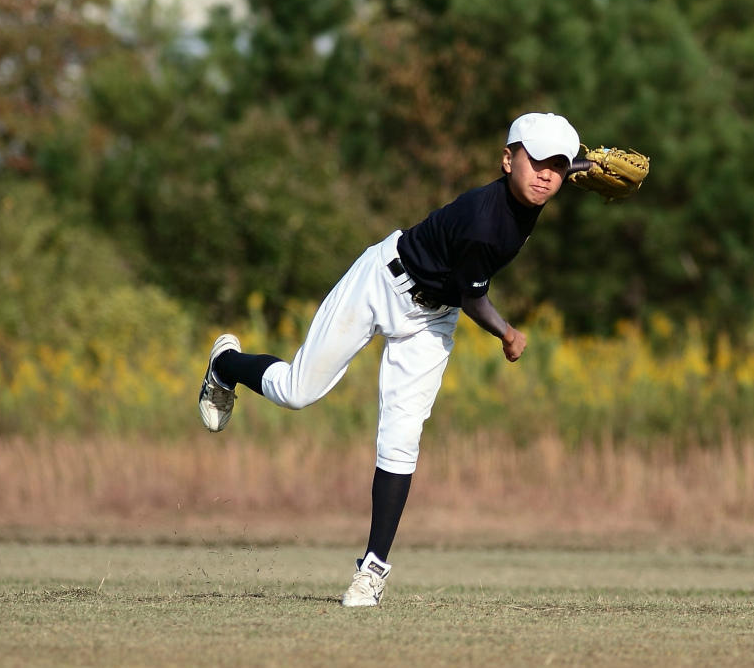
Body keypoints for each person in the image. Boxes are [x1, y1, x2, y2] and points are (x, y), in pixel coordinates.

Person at [198, 112, 582, 607]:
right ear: (507, 160)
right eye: (538, 161)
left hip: (431, 321)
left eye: (559, 165)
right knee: (296, 391)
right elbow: (474, 299)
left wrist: (583, 164)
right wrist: (508, 334)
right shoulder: (484, 222)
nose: (548, 174)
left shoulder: (538, 184)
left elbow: (556, 170)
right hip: (383, 282)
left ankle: (372, 570)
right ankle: (225, 365)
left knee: (402, 439)